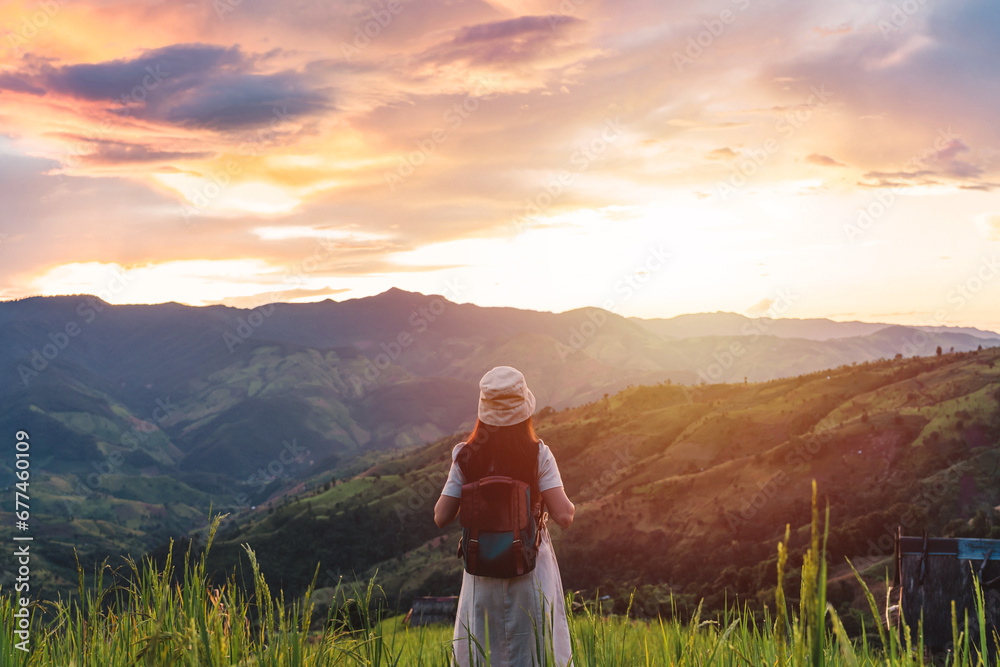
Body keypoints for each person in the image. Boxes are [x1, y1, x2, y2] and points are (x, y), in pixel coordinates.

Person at [434, 365, 575, 667]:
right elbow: (565, 515)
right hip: (529, 566)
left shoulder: (465, 455)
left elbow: (440, 516)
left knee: (483, 651)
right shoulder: (538, 454)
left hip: (481, 566)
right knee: (534, 652)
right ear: (525, 410)